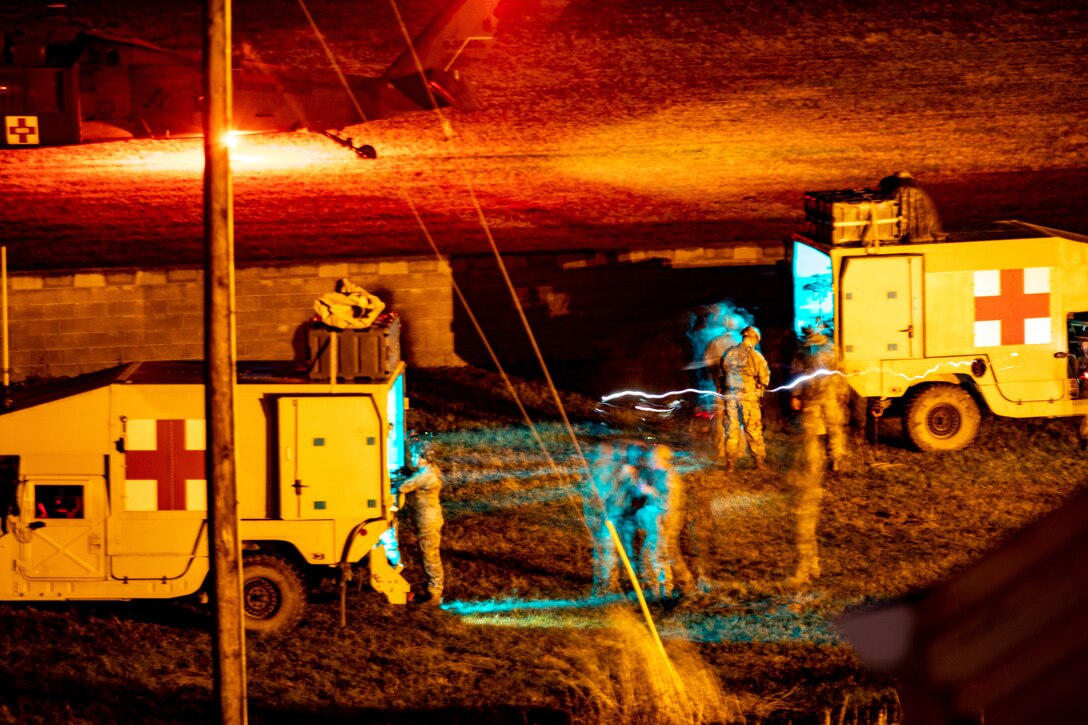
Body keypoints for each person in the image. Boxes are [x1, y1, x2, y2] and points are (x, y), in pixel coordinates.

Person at [635, 444, 695, 601]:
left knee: (658, 557)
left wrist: (650, 492)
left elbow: (668, 504)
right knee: (669, 556)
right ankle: (686, 588)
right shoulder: (658, 473)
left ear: (661, 459)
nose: (648, 461)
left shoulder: (670, 478)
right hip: (659, 524)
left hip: (666, 525)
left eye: (651, 458)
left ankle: (665, 593)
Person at [790, 328, 849, 473]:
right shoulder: (833, 348)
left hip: (811, 396)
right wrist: (842, 394)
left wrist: (795, 395)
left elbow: (797, 375)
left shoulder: (802, 351)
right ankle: (836, 461)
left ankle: (813, 464)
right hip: (831, 395)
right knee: (835, 429)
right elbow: (841, 372)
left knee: (810, 433)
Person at [397, 438, 445, 606]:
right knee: (429, 555)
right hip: (431, 518)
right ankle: (433, 589)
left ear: (424, 457)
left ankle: (435, 593)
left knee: (430, 556)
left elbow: (404, 486)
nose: (412, 459)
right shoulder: (431, 471)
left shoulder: (425, 475)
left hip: (427, 521)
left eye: (415, 456)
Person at [719, 325, 771, 471]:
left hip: (731, 397)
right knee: (753, 429)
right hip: (748, 397)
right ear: (754, 338)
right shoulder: (755, 356)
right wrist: (759, 387)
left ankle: (730, 464)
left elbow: (722, 373)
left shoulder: (728, 353)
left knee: (732, 430)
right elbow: (764, 378)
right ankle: (759, 462)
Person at [877, 171, 943, 243]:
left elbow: (904, 215)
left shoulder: (904, 191)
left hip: (914, 236)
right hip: (926, 231)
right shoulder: (915, 187)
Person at [313, 277, 386, 329]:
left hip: (360, 320)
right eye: (349, 282)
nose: (353, 284)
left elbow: (379, 304)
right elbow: (324, 309)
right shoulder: (332, 297)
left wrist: (363, 293)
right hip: (345, 321)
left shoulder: (360, 296)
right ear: (343, 288)